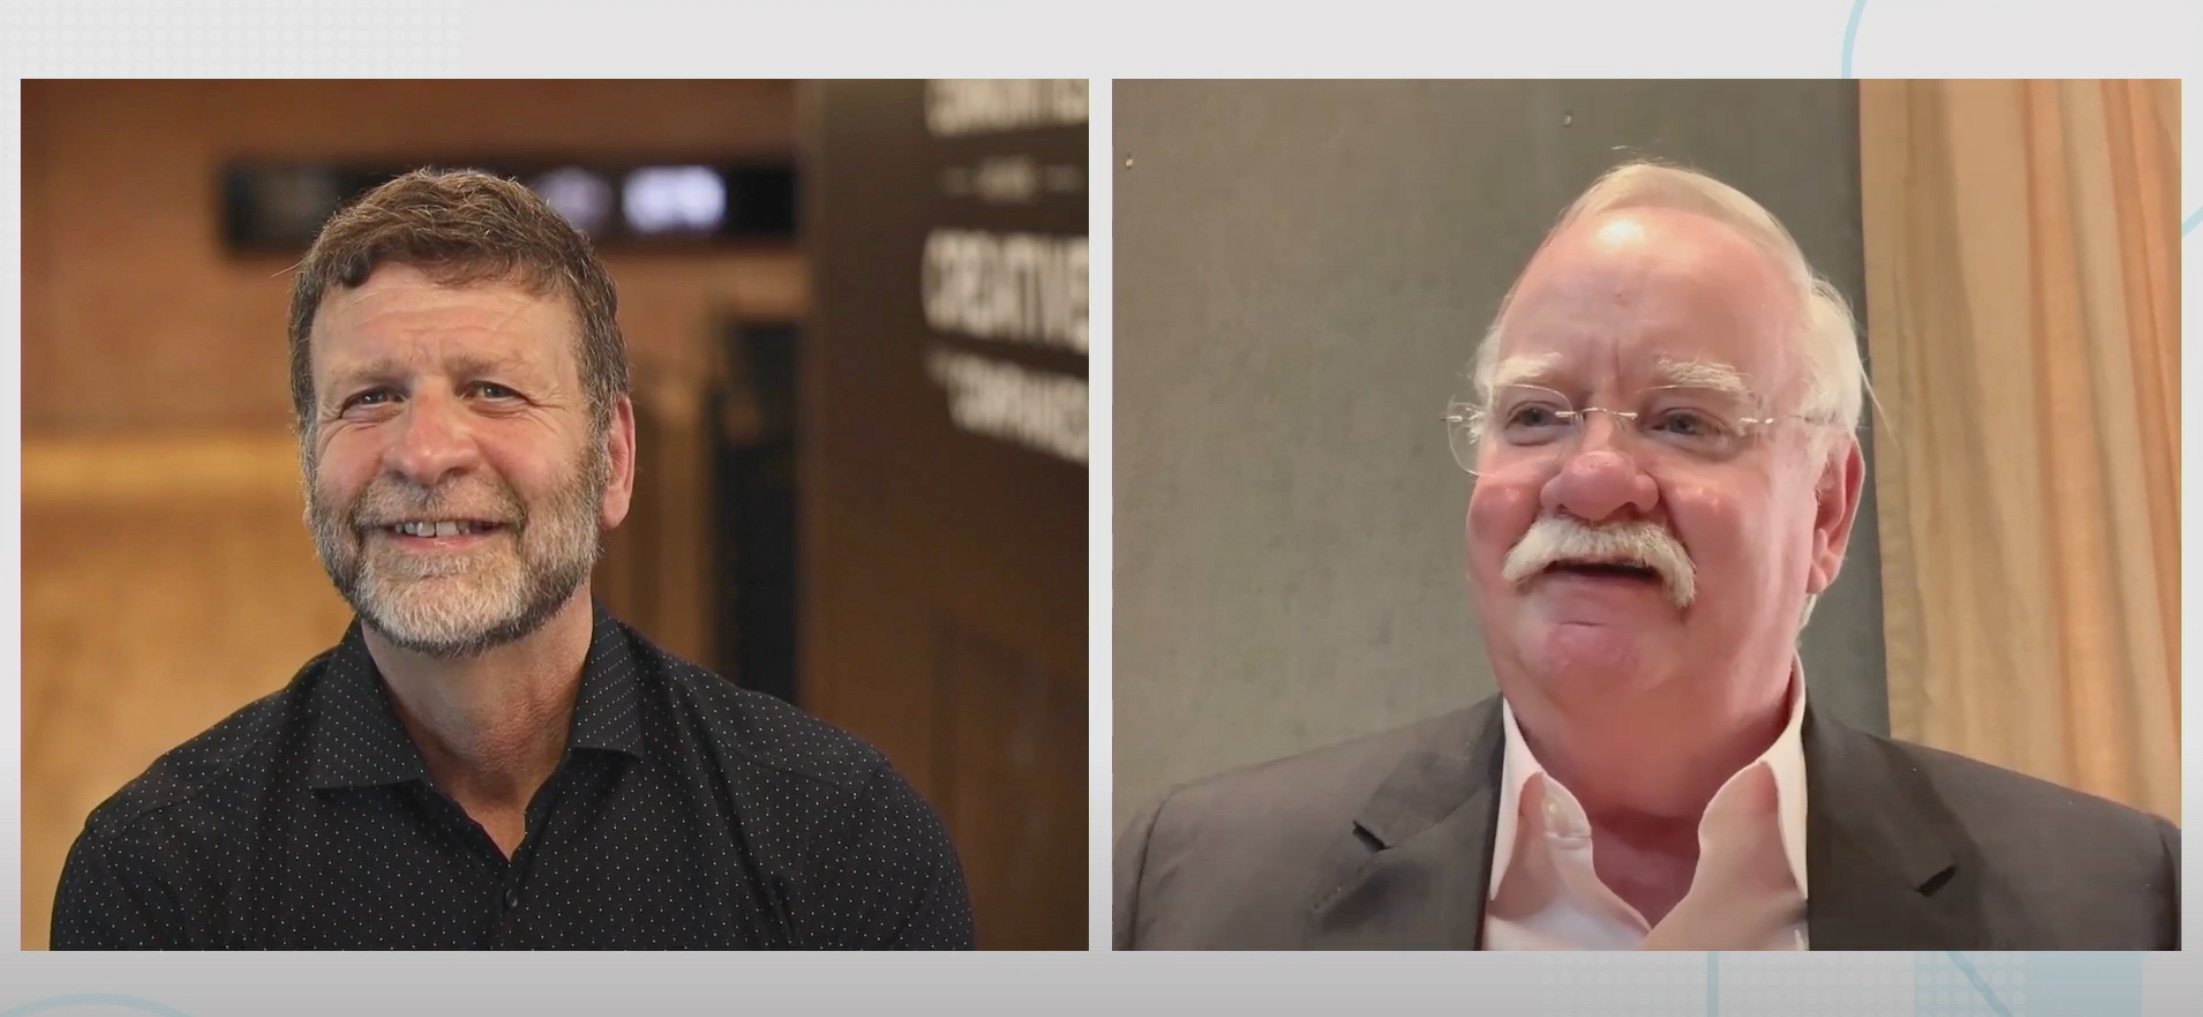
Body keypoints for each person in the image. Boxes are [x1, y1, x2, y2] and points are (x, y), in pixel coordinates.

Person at [1112, 161, 2179, 951]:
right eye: (1534, 416)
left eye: (1682, 421)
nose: (1589, 479)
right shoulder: (1195, 893)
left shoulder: (2119, 909)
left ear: (1825, 512)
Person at [52, 168, 974, 950]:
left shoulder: (845, 844)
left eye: (493, 391)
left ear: (613, 457)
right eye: (371, 397)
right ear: (309, 463)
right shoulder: (158, 886)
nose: (424, 452)